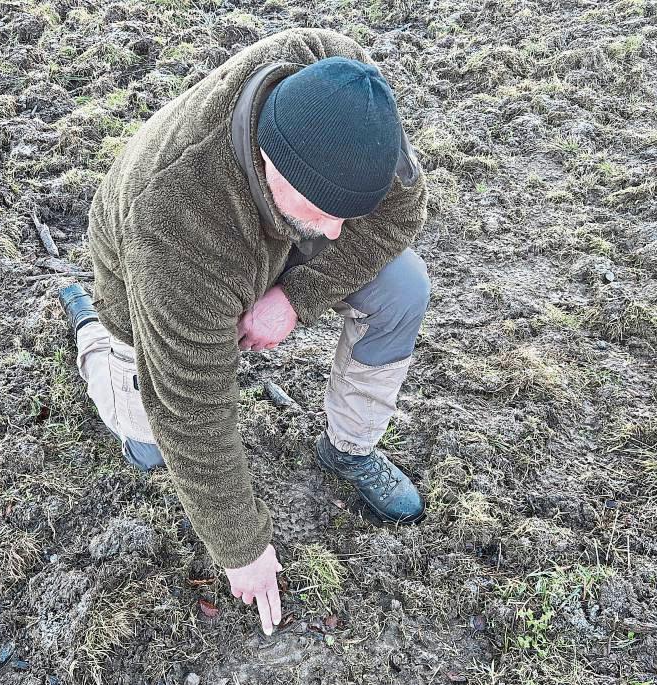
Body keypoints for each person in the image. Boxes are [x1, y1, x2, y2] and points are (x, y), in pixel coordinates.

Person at [57, 27, 430, 636]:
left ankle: (350, 447)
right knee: (152, 442)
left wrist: (294, 296)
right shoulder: (175, 219)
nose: (334, 234)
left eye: (344, 214)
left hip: (262, 251)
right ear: (270, 160)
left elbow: (402, 213)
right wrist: (243, 549)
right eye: (321, 213)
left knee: (403, 288)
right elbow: (193, 407)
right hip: (149, 279)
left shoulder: (344, 96)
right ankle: (88, 326)